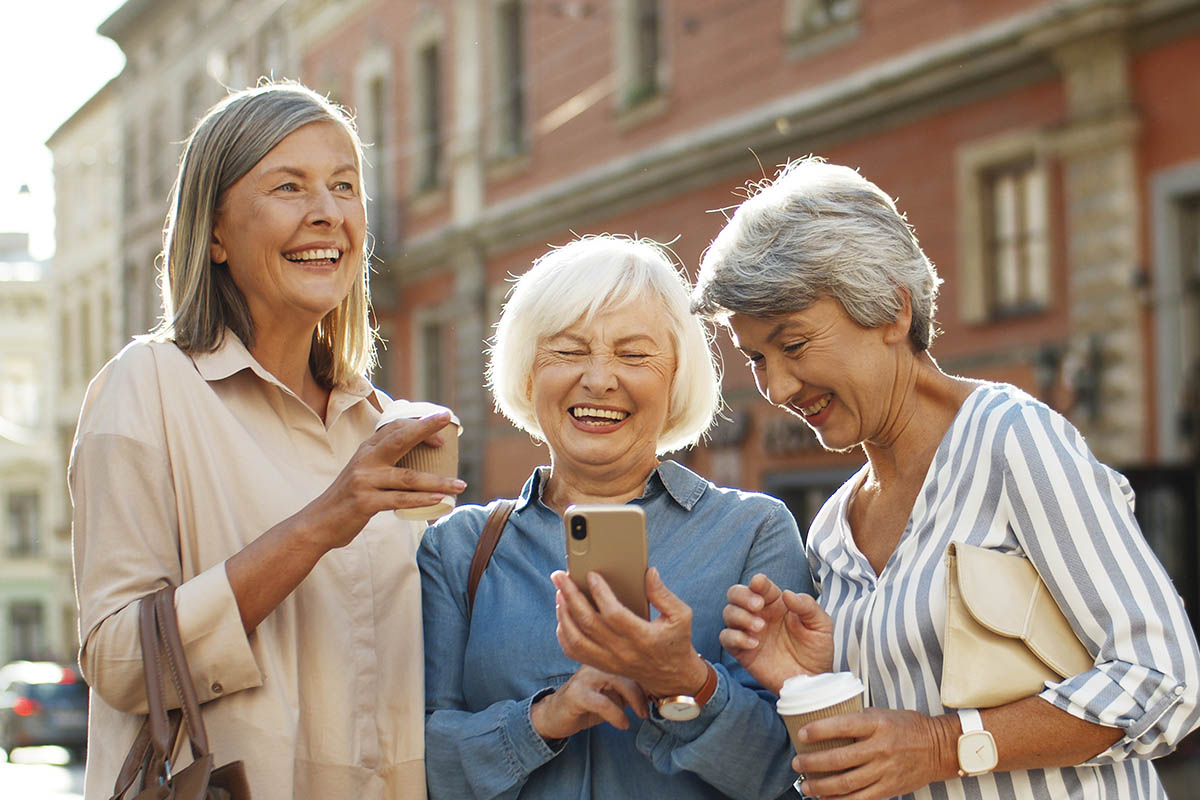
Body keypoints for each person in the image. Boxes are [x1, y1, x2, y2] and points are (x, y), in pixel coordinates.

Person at [692, 156, 1200, 800]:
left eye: (793, 346)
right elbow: (887, 753)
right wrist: (812, 684)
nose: (778, 387)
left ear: (892, 312)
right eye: (757, 359)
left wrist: (940, 745)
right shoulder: (832, 530)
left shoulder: (1012, 437)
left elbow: (1164, 680)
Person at [70, 82, 465, 799]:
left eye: (345, 186)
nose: (328, 213)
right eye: (289, 186)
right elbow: (123, 662)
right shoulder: (149, 387)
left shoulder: (386, 425)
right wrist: (320, 524)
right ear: (214, 232)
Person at [418, 234, 811, 799]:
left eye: (633, 354)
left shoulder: (754, 531)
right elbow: (417, 763)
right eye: (569, 350)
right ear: (528, 373)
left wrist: (686, 681)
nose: (600, 378)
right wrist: (546, 718)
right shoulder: (458, 546)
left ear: (676, 379)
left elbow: (789, 774)